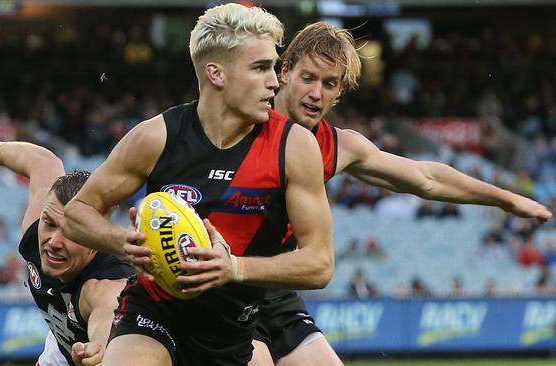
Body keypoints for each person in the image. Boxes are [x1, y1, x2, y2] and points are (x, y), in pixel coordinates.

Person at [250, 21, 553, 366]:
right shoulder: (245, 121)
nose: (317, 93)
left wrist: (505, 198)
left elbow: (427, 178)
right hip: (225, 284)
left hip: (274, 290)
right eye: (309, 78)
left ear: (340, 92)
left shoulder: (338, 145)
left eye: (330, 84)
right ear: (285, 72)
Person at [62, 4, 333, 366]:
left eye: (273, 66)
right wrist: (123, 243)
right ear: (216, 73)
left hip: (235, 328)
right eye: (260, 68)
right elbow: (75, 214)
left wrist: (233, 268)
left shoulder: (294, 146)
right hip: (153, 313)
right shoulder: (156, 137)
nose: (275, 81)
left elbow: (320, 263)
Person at [0, 113, 136, 366]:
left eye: (71, 231)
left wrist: (99, 349)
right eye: (50, 224)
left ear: (96, 233)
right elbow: (44, 162)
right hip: (60, 347)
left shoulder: (107, 287)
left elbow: (107, 320)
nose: (53, 241)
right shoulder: (37, 228)